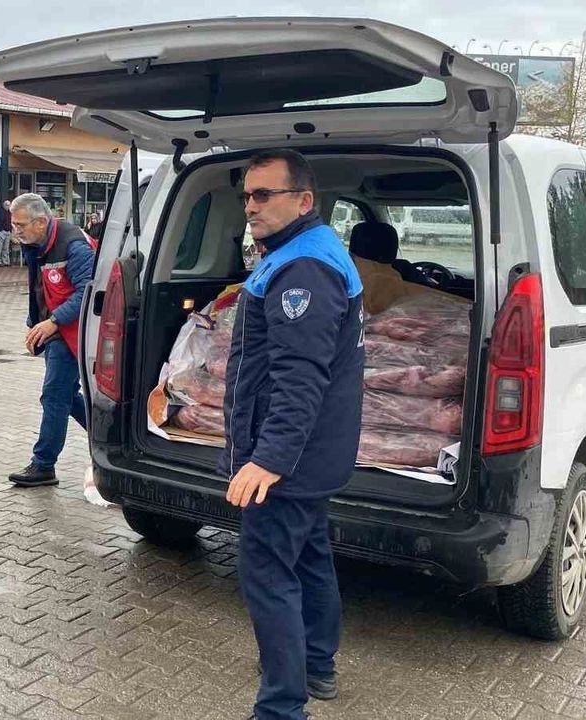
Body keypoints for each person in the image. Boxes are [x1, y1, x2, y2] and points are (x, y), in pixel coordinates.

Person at [221, 149, 364, 720]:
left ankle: (281, 707)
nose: (250, 206)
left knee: (267, 573)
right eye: (247, 196)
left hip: (290, 459)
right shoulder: (303, 252)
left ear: (304, 200)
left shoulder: (303, 270)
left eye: (264, 195)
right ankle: (317, 664)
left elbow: (299, 378)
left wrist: (269, 459)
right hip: (315, 452)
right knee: (308, 556)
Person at [7, 193, 95, 488]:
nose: (16, 231)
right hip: (56, 328)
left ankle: (44, 465)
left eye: (20, 225)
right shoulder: (35, 243)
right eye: (13, 225)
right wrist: (34, 323)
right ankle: (109, 436)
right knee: (67, 395)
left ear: (41, 222)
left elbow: (88, 293)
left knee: (54, 395)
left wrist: (53, 322)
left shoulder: (74, 247)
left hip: (72, 330)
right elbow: (38, 287)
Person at [0, 199, 13, 267]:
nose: (8, 206)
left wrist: (10, 230)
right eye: (7, 205)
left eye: (9, 205)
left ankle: (6, 261)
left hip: (8, 232)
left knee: (6, 248)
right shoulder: (0, 212)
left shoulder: (10, 212)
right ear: (3, 205)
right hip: (2, 231)